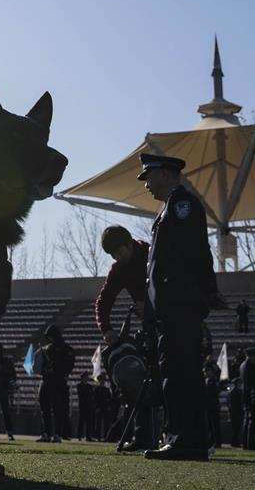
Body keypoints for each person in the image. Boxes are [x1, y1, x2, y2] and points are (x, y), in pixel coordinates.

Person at [137, 153, 218, 462]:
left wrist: (205, 291)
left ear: (166, 174)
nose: (146, 184)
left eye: (149, 176)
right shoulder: (170, 207)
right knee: (176, 371)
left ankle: (185, 439)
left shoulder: (182, 205)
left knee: (180, 372)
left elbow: (195, 252)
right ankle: (185, 437)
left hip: (180, 303)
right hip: (173, 304)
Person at [96, 224, 154, 451]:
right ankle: (143, 436)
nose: (117, 259)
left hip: (172, 320)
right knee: (140, 380)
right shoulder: (119, 269)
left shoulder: (152, 253)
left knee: (170, 379)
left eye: (119, 253)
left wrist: (149, 305)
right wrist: (106, 329)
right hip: (150, 327)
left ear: (129, 244)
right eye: (113, 256)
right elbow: (103, 301)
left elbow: (170, 287)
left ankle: (177, 433)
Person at [35, 324, 75, 443]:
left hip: (58, 382)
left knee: (58, 410)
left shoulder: (66, 349)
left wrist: (57, 369)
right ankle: (46, 434)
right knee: (44, 409)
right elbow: (39, 366)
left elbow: (69, 365)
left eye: (51, 336)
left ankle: (57, 434)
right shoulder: (45, 349)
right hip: (46, 381)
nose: (50, 338)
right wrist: (43, 369)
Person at [93, 373, 114, 441]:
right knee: (98, 424)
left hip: (105, 408)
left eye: (103, 380)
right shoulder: (96, 389)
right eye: (101, 380)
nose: (102, 381)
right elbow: (95, 399)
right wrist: (96, 407)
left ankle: (106, 437)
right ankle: (98, 437)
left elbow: (109, 399)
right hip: (99, 408)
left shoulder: (106, 390)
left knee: (106, 424)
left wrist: (108, 406)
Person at [76, 373, 94, 441]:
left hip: (89, 406)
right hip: (83, 406)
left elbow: (91, 395)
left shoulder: (89, 386)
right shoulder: (79, 386)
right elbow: (82, 395)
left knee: (89, 422)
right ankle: (79, 436)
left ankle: (88, 436)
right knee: (81, 421)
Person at [226, 377, 243, 447]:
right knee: (237, 428)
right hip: (237, 411)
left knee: (235, 428)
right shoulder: (239, 392)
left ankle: (234, 441)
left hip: (233, 411)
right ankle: (235, 442)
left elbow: (228, 402)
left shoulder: (231, 392)